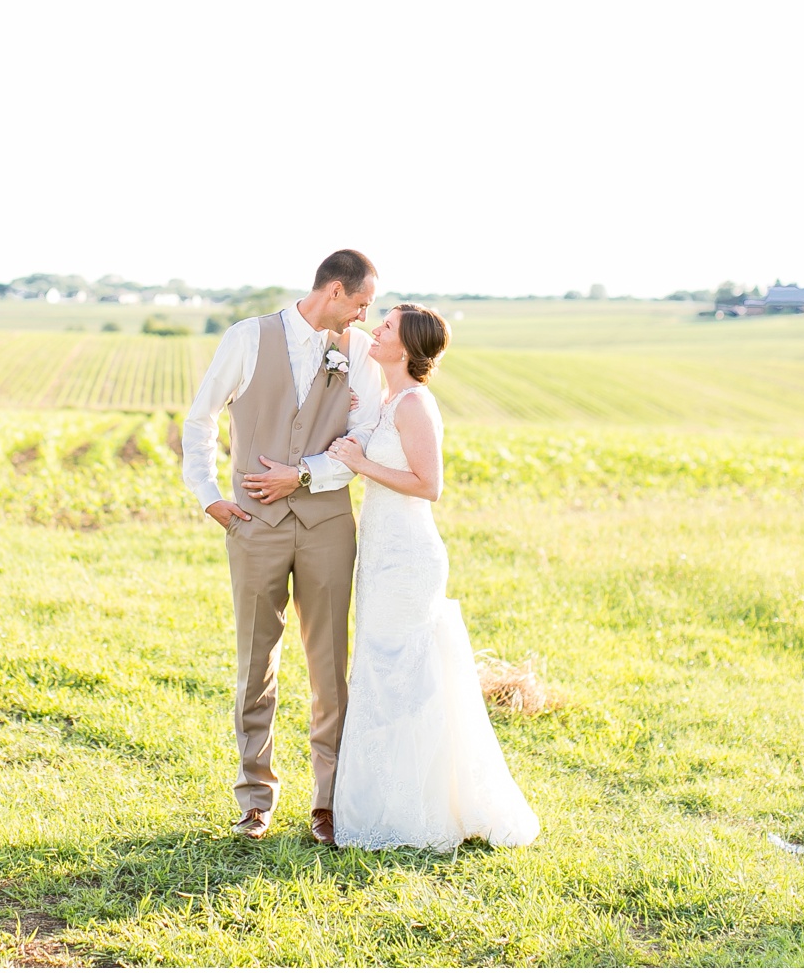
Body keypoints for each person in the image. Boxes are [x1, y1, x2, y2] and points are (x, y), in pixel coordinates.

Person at [180, 249, 383, 843]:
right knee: (254, 662)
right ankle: (254, 797)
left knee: (330, 667)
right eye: (362, 304)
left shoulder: (361, 353)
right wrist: (207, 494)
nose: (365, 316)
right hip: (254, 526)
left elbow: (363, 438)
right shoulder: (248, 338)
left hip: (327, 525)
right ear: (336, 291)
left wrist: (303, 475)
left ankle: (328, 799)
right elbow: (200, 419)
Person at [326, 303, 540, 851]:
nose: (377, 328)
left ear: (409, 347)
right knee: (382, 671)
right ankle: (383, 803)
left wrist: (361, 463)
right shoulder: (391, 397)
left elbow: (429, 485)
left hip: (408, 559)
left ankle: (414, 814)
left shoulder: (416, 404)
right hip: (380, 554)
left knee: (401, 676)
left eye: (388, 327)